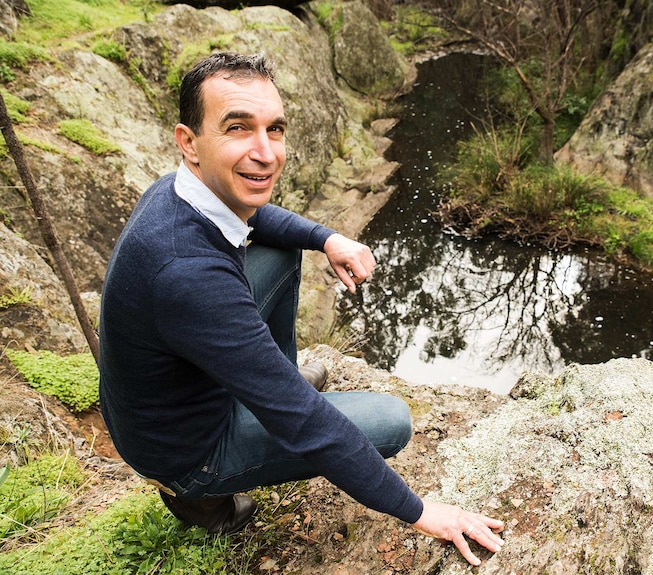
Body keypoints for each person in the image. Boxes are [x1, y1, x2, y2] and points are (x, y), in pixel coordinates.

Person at [98, 52, 504, 566]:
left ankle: (270, 382)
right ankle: (199, 499)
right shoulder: (187, 273)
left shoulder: (177, 190)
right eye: (238, 129)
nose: (265, 152)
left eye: (275, 129)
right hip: (185, 449)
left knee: (283, 250)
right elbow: (308, 425)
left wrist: (327, 237)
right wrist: (423, 512)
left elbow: (259, 217)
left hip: (154, 401)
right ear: (189, 142)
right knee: (391, 420)